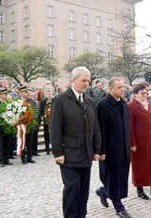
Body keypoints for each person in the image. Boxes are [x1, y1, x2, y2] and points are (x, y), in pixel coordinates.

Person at [50, 66, 101, 218]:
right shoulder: (60, 100)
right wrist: (57, 152)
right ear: (73, 80)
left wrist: (97, 149)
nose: (87, 83)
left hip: (86, 154)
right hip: (69, 155)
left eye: (88, 80)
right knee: (72, 189)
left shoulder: (89, 101)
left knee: (84, 191)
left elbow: (95, 127)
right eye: (83, 80)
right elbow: (55, 128)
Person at [96, 77, 131, 218]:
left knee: (120, 176)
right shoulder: (103, 105)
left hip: (123, 148)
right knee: (112, 176)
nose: (122, 89)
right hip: (110, 150)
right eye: (119, 87)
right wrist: (101, 150)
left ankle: (104, 191)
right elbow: (100, 130)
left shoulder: (123, 103)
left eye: (123, 87)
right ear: (110, 89)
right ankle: (118, 206)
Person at [128, 83, 151, 200]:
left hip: (150, 139)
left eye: (146, 93)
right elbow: (130, 126)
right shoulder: (131, 106)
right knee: (140, 165)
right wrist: (132, 143)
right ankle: (140, 189)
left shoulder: (148, 104)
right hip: (139, 142)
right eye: (142, 93)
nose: (145, 95)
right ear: (135, 94)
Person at [18, 86, 36, 164]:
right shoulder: (17, 101)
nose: (25, 93)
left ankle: (29, 157)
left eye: (26, 92)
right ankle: (23, 158)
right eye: (23, 92)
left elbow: (35, 112)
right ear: (20, 93)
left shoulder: (31, 101)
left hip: (29, 124)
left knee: (29, 141)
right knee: (22, 142)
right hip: (21, 125)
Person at [40, 90, 54, 155]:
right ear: (46, 95)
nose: (49, 95)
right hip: (46, 121)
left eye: (50, 94)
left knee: (54, 135)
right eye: (48, 94)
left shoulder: (55, 100)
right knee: (46, 135)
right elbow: (41, 110)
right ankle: (47, 149)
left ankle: (54, 148)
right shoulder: (43, 102)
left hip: (54, 121)